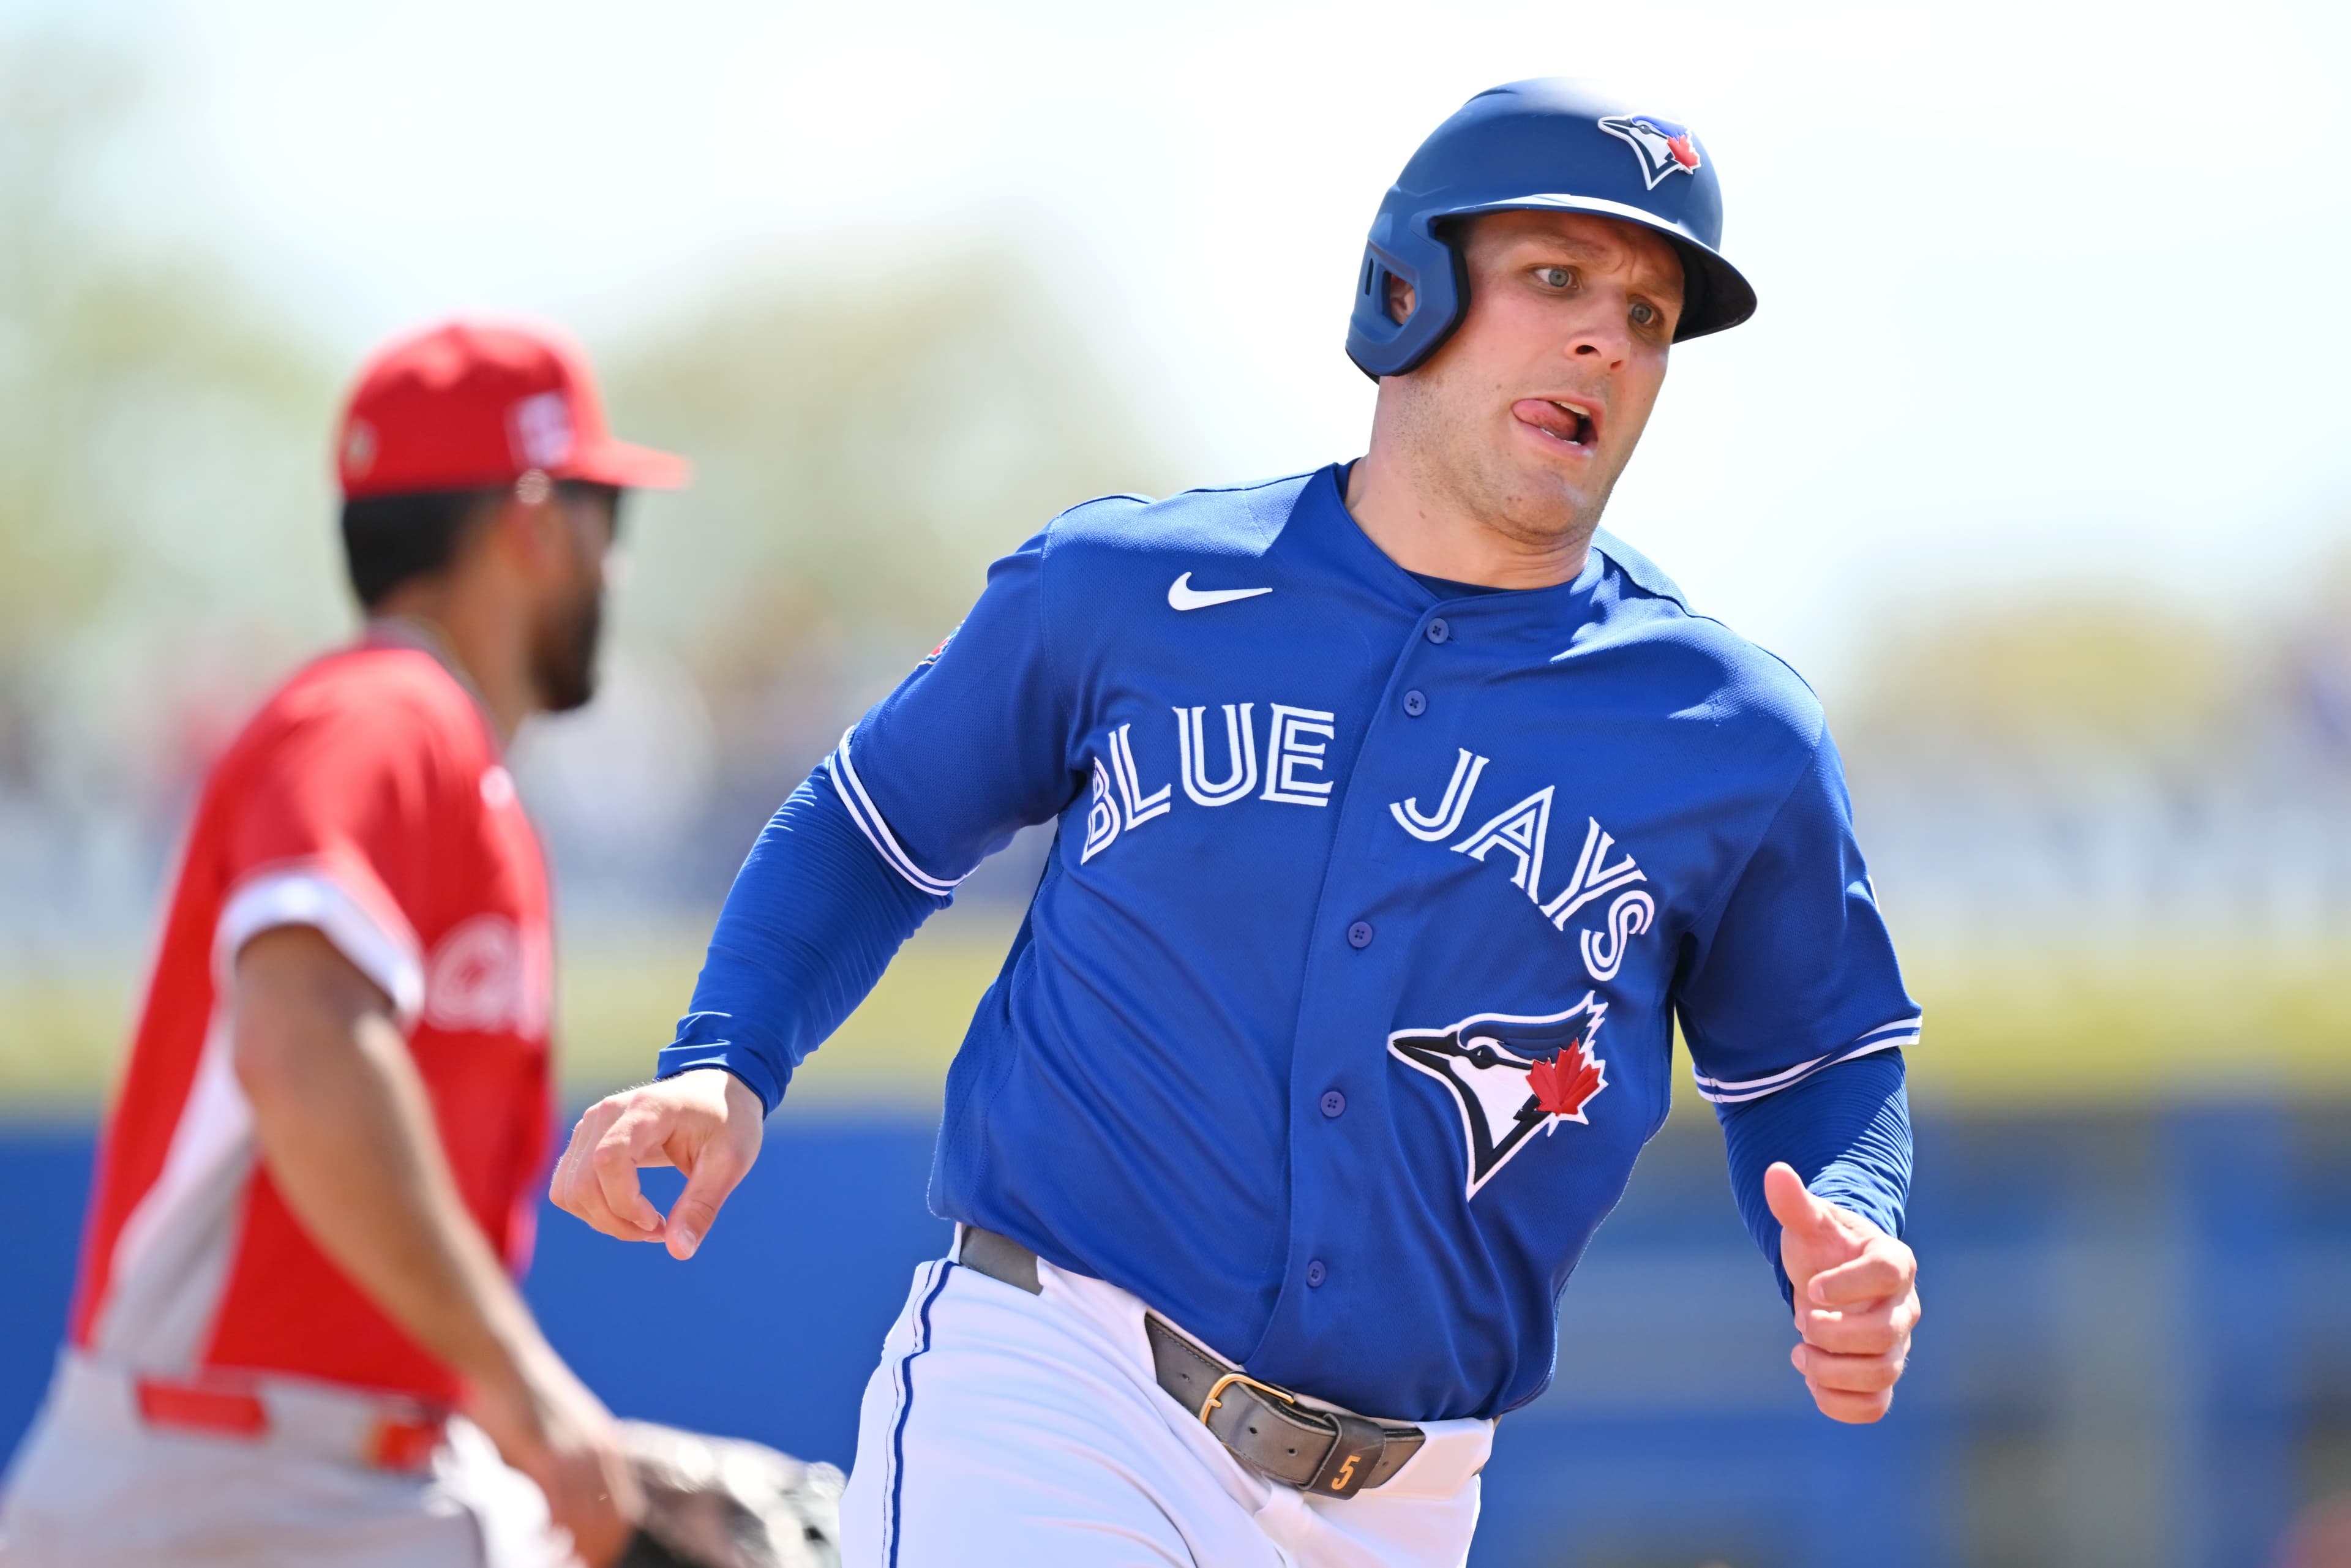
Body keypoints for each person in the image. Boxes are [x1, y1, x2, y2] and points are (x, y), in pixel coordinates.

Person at [553, 79, 1922, 1568]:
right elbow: (871, 826)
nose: (1607, 336)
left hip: (1407, 1498)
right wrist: (725, 1061)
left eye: (1650, 314)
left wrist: (1852, 1223)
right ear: (1411, 291)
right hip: (1060, 1396)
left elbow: (1821, 1058)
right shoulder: (1130, 591)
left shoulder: (1726, 734)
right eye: (1553, 279)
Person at [1, 321, 687, 1567]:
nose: (615, 569)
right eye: (605, 520)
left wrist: (522, 1435)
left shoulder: (446, 762)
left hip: (331, 1474)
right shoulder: (376, 718)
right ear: (534, 524)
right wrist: (528, 1391)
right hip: (228, 1482)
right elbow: (301, 1043)